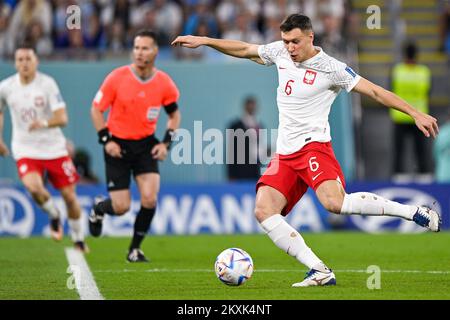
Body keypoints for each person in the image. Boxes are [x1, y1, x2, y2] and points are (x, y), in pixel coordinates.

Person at [171, 14, 441, 287]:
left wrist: (415, 112)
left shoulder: (332, 68)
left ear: (310, 37)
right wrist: (205, 40)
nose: (290, 48)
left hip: (314, 147)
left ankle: (413, 212)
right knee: (264, 210)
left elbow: (374, 92)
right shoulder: (280, 52)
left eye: (295, 42)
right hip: (285, 154)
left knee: (335, 204)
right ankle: (319, 270)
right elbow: (244, 49)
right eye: (286, 41)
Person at [89, 29, 181, 262]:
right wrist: (105, 140)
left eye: (145, 48)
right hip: (117, 146)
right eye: (137, 48)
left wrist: (165, 144)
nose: (139, 53)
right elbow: (96, 109)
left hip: (145, 146)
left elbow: (174, 115)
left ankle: (134, 250)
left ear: (155, 51)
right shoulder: (117, 77)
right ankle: (99, 209)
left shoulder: (163, 83)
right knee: (121, 207)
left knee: (149, 198)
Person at [0, 44, 88, 252]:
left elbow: (62, 117)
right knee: (34, 187)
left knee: (69, 196)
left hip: (54, 148)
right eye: (20, 59)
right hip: (25, 149)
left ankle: (78, 238)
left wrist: (45, 123)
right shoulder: (6, 87)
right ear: (15, 63)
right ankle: (54, 214)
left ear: (36, 61)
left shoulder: (47, 84)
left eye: (28, 59)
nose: (24, 63)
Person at [389, 41, 431, 175]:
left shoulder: (397, 71)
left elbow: (390, 91)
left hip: (399, 116)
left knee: (399, 150)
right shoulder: (424, 72)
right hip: (419, 116)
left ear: (404, 55)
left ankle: (398, 175)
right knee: (420, 150)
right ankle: (424, 175)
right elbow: (428, 92)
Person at [226, 96, 264, 181]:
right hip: (240, 171)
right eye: (249, 105)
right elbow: (231, 151)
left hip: (255, 171)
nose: (251, 107)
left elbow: (259, 148)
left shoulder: (259, 125)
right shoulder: (236, 126)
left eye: (253, 105)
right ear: (245, 106)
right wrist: (231, 174)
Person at [433, 108, 450, 182]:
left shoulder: (442, 132)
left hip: (442, 176)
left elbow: (435, 154)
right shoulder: (443, 132)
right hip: (444, 177)